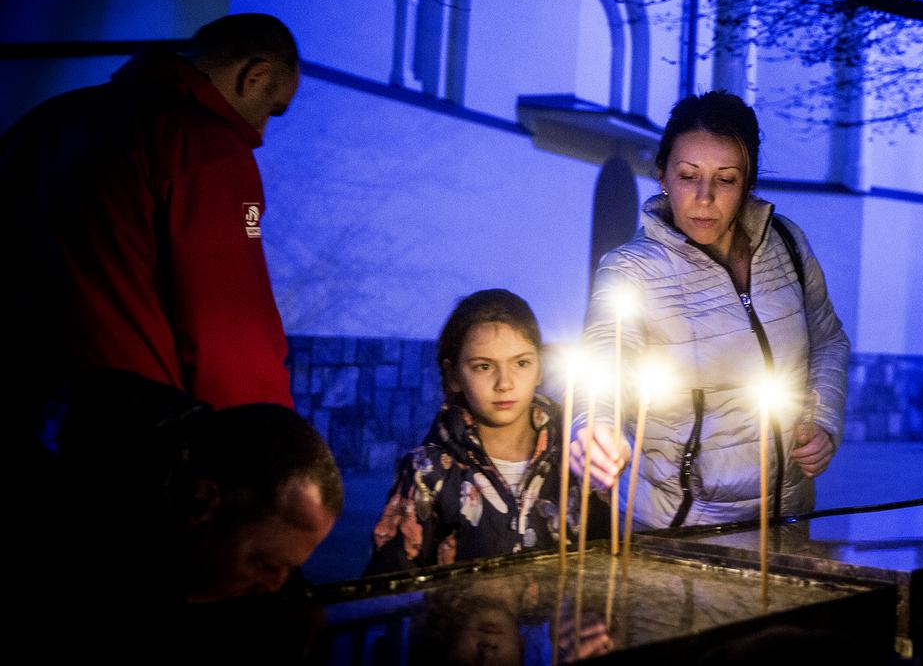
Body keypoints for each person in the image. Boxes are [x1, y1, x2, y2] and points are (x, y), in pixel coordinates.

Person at [1, 13, 300, 435]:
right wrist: (264, 440)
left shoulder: (45, 122)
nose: (262, 132)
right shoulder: (205, 148)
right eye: (273, 110)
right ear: (254, 76)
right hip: (127, 428)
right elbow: (227, 320)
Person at [570, 90, 850, 529]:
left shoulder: (788, 244)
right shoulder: (632, 270)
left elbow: (828, 340)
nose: (704, 197)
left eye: (725, 179)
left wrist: (823, 418)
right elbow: (607, 359)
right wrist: (595, 426)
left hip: (785, 516)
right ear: (662, 174)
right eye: (688, 176)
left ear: (747, 183)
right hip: (676, 525)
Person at [19, 368, 342, 659]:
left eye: (290, 568)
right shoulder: (82, 515)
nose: (275, 586)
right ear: (202, 503)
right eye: (267, 564)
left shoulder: (209, 469)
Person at [367, 289, 595, 573]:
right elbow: (391, 582)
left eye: (521, 363)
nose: (505, 383)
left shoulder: (577, 456)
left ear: (539, 368)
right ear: (453, 376)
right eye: (484, 366)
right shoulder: (428, 472)